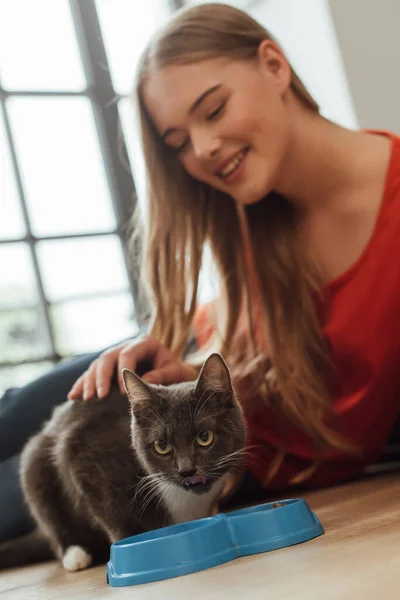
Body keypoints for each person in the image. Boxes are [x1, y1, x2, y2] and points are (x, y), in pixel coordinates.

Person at [2, 2, 400, 543]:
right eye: (178, 143)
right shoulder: (253, 206)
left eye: (213, 111)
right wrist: (183, 370)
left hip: (220, 462)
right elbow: (259, 365)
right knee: (17, 411)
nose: (204, 149)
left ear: (275, 66)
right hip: (186, 385)